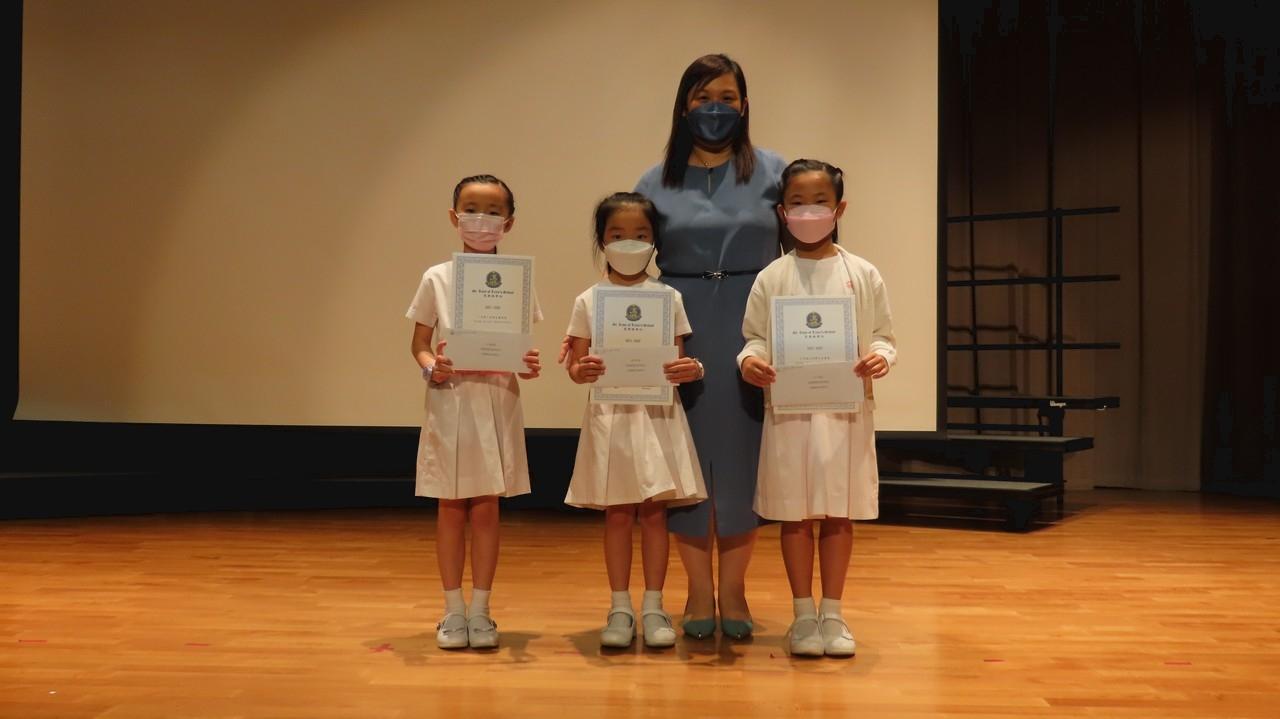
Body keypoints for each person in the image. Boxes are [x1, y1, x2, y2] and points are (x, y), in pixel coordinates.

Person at [634, 53, 787, 639]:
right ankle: (698, 593)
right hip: (681, 326)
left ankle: (736, 591)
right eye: (702, 98)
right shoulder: (655, 181)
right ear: (683, 106)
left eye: (726, 97)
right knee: (687, 460)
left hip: (756, 325)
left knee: (746, 459)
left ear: (745, 105)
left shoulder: (775, 172)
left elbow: (805, 251)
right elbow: (628, 265)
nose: (715, 108)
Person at [737, 159, 897, 657]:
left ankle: (834, 613)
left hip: (846, 412)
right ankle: (803, 615)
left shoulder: (862, 273)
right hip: (789, 413)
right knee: (796, 514)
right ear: (782, 212)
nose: (809, 212)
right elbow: (754, 338)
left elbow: (884, 336)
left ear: (839, 208)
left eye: (820, 202)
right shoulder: (772, 276)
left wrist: (881, 356)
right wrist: (750, 361)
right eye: (798, 203)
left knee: (839, 513)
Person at [564, 192, 707, 649]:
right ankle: (620, 607)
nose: (629, 243)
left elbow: (677, 360)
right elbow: (576, 365)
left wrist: (688, 369)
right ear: (601, 240)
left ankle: (654, 606)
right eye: (618, 234)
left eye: (640, 234)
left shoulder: (668, 298)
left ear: (655, 240)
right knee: (618, 514)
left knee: (655, 514)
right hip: (611, 417)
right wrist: (581, 370)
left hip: (657, 416)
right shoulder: (588, 300)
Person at [405, 174, 543, 650]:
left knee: (487, 507)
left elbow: (520, 347)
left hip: (498, 398)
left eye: (492, 211)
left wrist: (527, 364)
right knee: (450, 506)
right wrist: (433, 367)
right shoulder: (437, 277)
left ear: (509, 222)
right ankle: (452, 611)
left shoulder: (518, 278)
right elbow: (420, 344)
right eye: (471, 209)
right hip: (452, 398)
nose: (481, 219)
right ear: (454, 216)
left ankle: (481, 611)